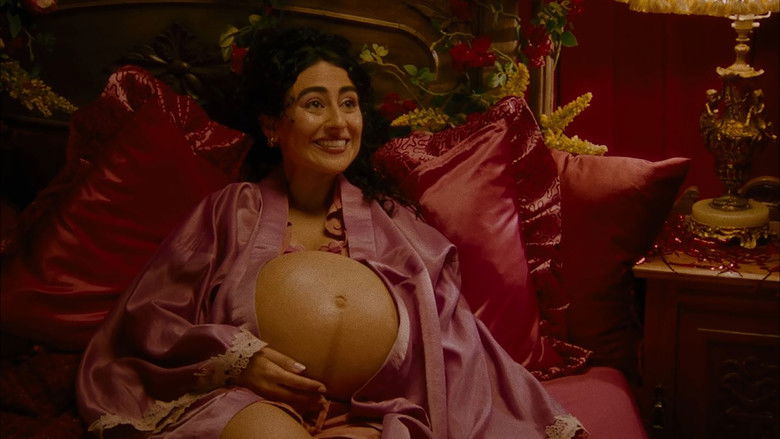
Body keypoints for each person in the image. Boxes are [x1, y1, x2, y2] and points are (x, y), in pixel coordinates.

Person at [76, 27, 587, 439]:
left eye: (349, 103)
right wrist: (238, 361)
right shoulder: (231, 211)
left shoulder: (396, 222)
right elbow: (152, 314)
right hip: (251, 402)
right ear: (273, 125)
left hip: (378, 414)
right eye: (315, 104)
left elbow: (453, 334)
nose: (339, 122)